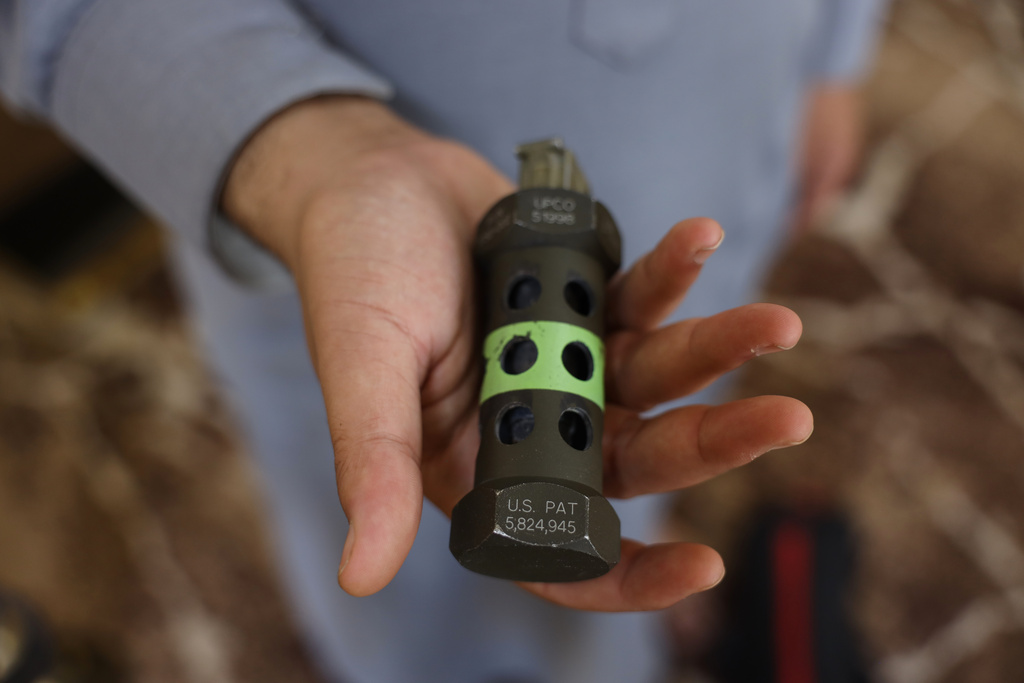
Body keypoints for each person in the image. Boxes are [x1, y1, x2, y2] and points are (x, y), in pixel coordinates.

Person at [0, 2, 885, 681]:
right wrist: (306, 156)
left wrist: (833, 48)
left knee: (657, 425)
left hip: (737, 98)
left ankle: (612, 618)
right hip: (341, 224)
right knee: (407, 547)